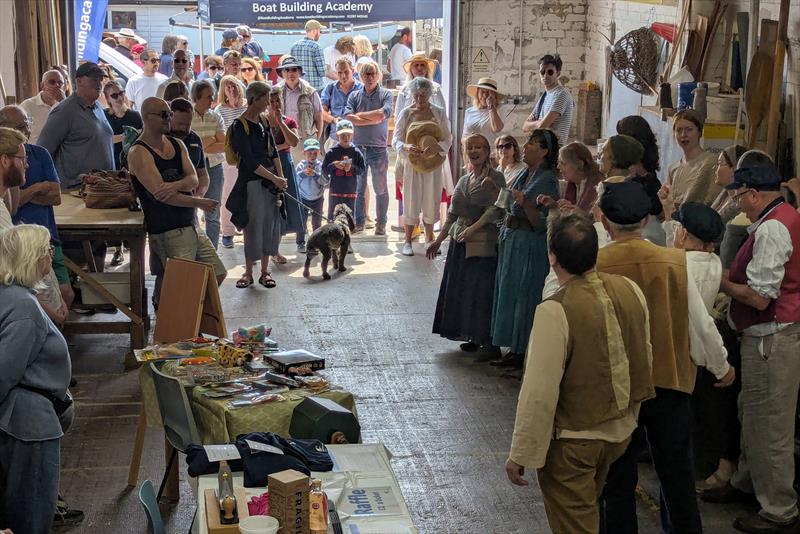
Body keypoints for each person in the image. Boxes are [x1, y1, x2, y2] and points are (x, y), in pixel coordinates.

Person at [596, 180, 734, 534]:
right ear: (646, 222)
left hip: (618, 384)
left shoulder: (596, 265)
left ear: (604, 221)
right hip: (670, 380)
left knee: (616, 477)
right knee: (676, 475)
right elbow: (699, 322)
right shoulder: (674, 262)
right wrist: (720, 364)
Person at [506, 213, 655, 534]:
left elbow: (539, 391)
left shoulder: (555, 309)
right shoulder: (630, 290)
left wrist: (522, 452)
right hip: (620, 433)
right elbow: (643, 358)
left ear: (553, 257)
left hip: (574, 441)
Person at [708, 164, 800, 534]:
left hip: (771, 338)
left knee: (769, 427)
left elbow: (761, 297)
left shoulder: (775, 227)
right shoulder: (779, 217)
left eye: (738, 195)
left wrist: (719, 279)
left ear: (754, 194)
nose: (737, 202)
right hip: (766, 336)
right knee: (752, 414)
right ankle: (748, 483)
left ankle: (779, 509)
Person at [0, 224, 76, 534]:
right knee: (30, 512)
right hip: (28, 424)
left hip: (26, 417)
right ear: (33, 258)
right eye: (46, 250)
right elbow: (4, 373)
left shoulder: (13, 295)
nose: (50, 256)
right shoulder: (23, 308)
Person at [126, 97, 224, 306]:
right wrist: (198, 203)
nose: (168, 118)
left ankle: (190, 320)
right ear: (146, 117)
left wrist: (173, 185)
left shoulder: (177, 144)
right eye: (163, 114)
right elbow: (162, 196)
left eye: (169, 113)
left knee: (217, 273)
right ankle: (175, 326)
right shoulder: (139, 152)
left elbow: (194, 179)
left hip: (189, 225)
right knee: (181, 288)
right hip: (166, 229)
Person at [489, 129, 560, 369]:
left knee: (524, 293)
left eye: (532, 143)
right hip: (512, 238)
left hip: (529, 242)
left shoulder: (547, 179)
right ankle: (511, 345)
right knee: (509, 290)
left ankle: (522, 349)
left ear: (544, 151)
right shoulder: (524, 174)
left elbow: (542, 220)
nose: (526, 146)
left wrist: (523, 202)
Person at [427, 134, 504, 352]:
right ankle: (471, 335)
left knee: (482, 291)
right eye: (469, 147)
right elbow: (452, 215)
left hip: (483, 241)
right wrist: (438, 240)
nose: (473, 151)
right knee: (464, 291)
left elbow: (496, 208)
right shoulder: (464, 179)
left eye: (478, 147)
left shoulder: (496, 177)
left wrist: (474, 228)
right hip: (461, 241)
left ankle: (488, 342)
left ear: (487, 151)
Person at [0, 108, 72, 319]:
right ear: (5, 160)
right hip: (25, 268)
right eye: (22, 159)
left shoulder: (39, 153)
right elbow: (13, 275)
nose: (27, 165)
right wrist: (36, 187)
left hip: (41, 246)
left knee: (65, 293)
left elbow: (55, 196)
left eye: (27, 125)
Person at [226, 81, 287, 289]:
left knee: (269, 226)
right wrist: (273, 177)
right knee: (253, 227)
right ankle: (248, 271)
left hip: (270, 182)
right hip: (253, 182)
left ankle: (264, 271)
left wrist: (280, 176)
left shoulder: (263, 121)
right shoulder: (239, 126)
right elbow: (249, 161)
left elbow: (273, 151)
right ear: (255, 99)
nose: (269, 104)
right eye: (266, 99)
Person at [392, 76, 452, 254]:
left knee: (431, 198)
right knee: (411, 199)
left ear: (429, 95)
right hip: (412, 162)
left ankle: (429, 238)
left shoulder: (439, 112)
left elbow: (448, 138)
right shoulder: (406, 113)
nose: (419, 100)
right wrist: (405, 146)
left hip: (433, 163)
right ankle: (408, 241)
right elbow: (396, 138)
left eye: (423, 96)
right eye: (416, 96)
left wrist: (437, 148)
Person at [38, 62, 115, 190]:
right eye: (94, 79)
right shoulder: (64, 111)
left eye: (101, 79)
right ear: (79, 81)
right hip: (76, 190)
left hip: (103, 189)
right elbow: (43, 151)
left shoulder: (98, 108)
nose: (99, 83)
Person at [345, 59, 393, 236]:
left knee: (380, 188)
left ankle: (381, 223)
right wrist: (370, 118)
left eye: (373, 73)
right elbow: (348, 117)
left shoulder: (386, 94)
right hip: (358, 148)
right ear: (361, 76)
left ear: (378, 75)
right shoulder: (354, 96)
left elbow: (383, 114)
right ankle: (359, 223)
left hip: (378, 148)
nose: (370, 77)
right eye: (367, 74)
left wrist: (360, 116)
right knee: (358, 188)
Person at [266, 86, 304, 255]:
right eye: (271, 102)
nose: (275, 105)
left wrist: (280, 123)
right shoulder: (262, 122)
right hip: (269, 167)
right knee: (271, 206)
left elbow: (294, 141)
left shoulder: (289, 121)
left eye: (278, 101)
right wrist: (281, 146)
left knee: (287, 205)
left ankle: (283, 246)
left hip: (285, 166)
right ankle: (272, 249)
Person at [191, 80, 226, 249]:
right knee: (192, 211)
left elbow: (224, 144)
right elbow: (188, 146)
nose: (212, 100)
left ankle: (212, 250)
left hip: (214, 167)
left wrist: (201, 143)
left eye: (212, 96)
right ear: (197, 98)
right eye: (208, 96)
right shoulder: (188, 117)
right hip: (192, 168)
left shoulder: (216, 116)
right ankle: (197, 247)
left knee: (213, 212)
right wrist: (210, 141)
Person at [215, 74, 247, 249]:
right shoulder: (220, 110)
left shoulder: (247, 107)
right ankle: (227, 231)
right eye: (227, 87)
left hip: (247, 157)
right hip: (229, 158)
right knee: (227, 193)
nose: (231, 90)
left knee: (248, 193)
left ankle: (246, 227)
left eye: (234, 86)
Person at [276, 56, 323, 166]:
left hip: (306, 140)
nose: (290, 73)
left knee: (310, 173)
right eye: (287, 70)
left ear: (300, 72)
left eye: (294, 70)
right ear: (282, 73)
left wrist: (315, 141)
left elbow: (319, 118)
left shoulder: (310, 92)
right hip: (286, 140)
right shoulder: (276, 91)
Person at [667, 109, 719, 209]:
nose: (683, 135)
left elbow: (713, 201)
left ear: (699, 132)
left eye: (689, 129)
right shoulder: (673, 169)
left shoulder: (711, 162)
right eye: (679, 130)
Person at [523, 54, 574, 148]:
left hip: (553, 149)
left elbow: (543, 125)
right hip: (541, 147)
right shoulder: (544, 96)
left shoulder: (562, 94)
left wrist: (539, 123)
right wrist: (540, 123)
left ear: (557, 73)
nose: (545, 75)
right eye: (542, 72)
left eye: (550, 72)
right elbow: (525, 126)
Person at [540, 141, 603, 216]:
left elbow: (596, 222)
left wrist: (581, 214)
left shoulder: (598, 187)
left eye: (563, 163)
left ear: (580, 165)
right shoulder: (574, 184)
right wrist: (555, 206)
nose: (558, 167)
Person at [322, 120, 365, 220]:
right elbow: (324, 170)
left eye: (348, 135)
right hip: (335, 192)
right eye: (342, 135)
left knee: (348, 220)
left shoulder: (356, 152)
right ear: (337, 136)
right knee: (333, 220)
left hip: (350, 192)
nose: (346, 138)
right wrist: (334, 165)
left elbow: (362, 170)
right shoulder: (331, 152)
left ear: (352, 135)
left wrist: (351, 168)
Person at [169, 98, 208, 199]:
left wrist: (199, 195)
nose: (183, 128)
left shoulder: (195, 139)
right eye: (180, 124)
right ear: (170, 117)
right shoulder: (160, 138)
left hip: (191, 200)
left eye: (187, 125)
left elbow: (203, 175)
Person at [321, 57, 363, 151]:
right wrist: (334, 120)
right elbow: (322, 111)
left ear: (352, 70)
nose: (343, 76)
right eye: (339, 73)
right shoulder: (330, 88)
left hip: (356, 140)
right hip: (335, 139)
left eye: (346, 72)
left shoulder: (361, 89)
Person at [103, 80, 142, 170]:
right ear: (107, 98)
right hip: (111, 160)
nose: (119, 98)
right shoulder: (104, 116)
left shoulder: (134, 115)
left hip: (132, 161)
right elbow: (103, 140)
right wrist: (127, 136)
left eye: (121, 93)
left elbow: (141, 138)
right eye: (114, 95)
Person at [19, 70, 66, 144]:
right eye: (52, 82)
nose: (56, 85)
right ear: (42, 86)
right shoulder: (27, 106)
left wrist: (64, 102)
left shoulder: (65, 106)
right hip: (35, 152)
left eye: (60, 83)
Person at [710, 144, 748, 224]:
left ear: (735, 168)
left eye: (720, 163)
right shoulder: (725, 193)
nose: (715, 168)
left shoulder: (740, 205)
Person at [463, 77, 504, 148]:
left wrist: (491, 107)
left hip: (492, 153)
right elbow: (464, 136)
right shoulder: (469, 112)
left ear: (494, 96)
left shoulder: (500, 110)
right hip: (473, 154)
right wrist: (471, 141)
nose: (485, 96)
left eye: (488, 93)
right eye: (482, 92)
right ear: (477, 93)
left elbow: (497, 128)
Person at [296, 138, 327, 234]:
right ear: (304, 153)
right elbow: (295, 180)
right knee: (301, 221)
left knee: (317, 223)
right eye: (309, 153)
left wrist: (315, 175)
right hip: (303, 197)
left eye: (315, 153)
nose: (312, 156)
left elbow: (325, 181)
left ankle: (316, 241)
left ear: (318, 152)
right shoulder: (301, 165)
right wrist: (303, 173)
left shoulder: (321, 166)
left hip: (317, 198)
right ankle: (300, 242)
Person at [290, 20, 329, 92]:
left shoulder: (294, 46)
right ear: (314, 31)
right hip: (314, 88)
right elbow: (322, 72)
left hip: (298, 87)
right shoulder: (316, 46)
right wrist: (327, 68)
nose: (320, 34)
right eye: (320, 31)